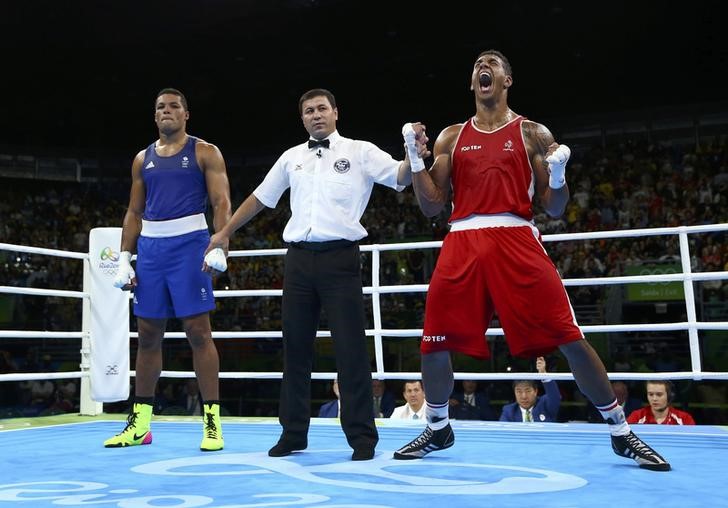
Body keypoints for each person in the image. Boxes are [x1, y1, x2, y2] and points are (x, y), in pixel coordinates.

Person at [392, 50, 671, 471]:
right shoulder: (451, 136)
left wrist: (558, 176)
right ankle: (438, 425)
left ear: (507, 79)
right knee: (434, 341)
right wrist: (416, 158)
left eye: (493, 63)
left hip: (517, 238)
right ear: (473, 82)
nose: (483, 66)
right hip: (462, 239)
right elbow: (432, 206)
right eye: (477, 64)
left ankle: (620, 430)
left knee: (568, 337)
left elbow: (554, 207)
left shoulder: (532, 133)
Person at [203, 88, 424, 461]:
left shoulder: (360, 151)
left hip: (341, 259)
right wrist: (225, 232)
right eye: (309, 111)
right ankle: (292, 434)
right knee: (295, 349)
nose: (316, 115)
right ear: (302, 118)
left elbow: (400, 176)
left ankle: (362, 438)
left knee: (351, 349)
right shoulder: (292, 158)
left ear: (336, 112)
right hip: (299, 262)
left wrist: (413, 151)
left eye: (322, 108)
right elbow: (260, 196)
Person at [104, 88, 231, 452]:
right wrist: (125, 257)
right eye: (160, 106)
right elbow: (133, 211)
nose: (167, 111)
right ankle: (140, 424)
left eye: (174, 106)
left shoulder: (205, 151)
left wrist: (220, 244)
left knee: (198, 332)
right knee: (146, 334)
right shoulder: (142, 158)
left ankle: (211, 423)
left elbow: (222, 201)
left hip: (191, 244)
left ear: (186, 114)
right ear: (154, 115)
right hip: (151, 249)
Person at [499, 357, 560, 422]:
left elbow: (554, 397)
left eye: (528, 391)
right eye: (519, 391)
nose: (524, 396)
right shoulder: (509, 411)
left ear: (535, 391)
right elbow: (503, 430)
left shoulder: (544, 404)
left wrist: (544, 374)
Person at [627, 380, 696, 425]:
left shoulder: (684, 419)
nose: (654, 399)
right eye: (650, 394)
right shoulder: (636, 417)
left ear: (669, 396)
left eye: (659, 395)